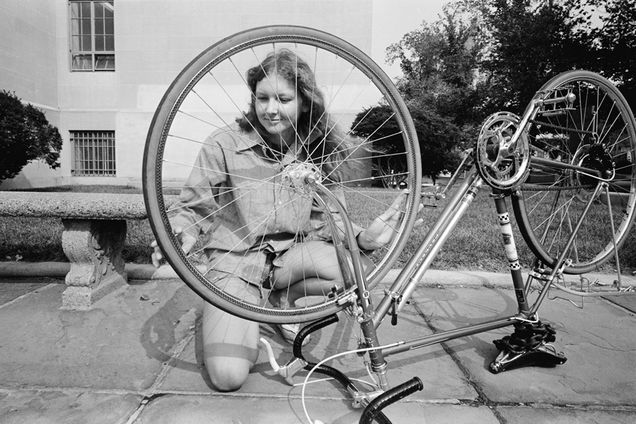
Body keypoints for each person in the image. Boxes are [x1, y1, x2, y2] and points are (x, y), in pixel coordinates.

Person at [151, 49, 411, 391]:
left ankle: (278, 302)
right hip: (236, 264)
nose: (270, 108)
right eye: (262, 97)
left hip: (289, 259)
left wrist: (364, 239)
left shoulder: (318, 149)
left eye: (283, 98)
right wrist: (180, 231)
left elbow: (327, 220)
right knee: (228, 377)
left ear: (303, 102)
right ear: (253, 99)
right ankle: (225, 308)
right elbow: (194, 204)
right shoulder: (224, 142)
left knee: (356, 268)